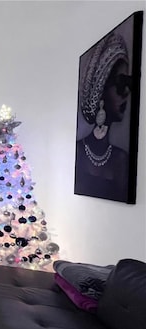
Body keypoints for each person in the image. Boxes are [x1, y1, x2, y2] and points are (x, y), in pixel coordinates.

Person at [75, 32, 132, 202]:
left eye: (128, 84)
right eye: (120, 84)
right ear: (100, 93)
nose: (127, 93)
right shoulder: (78, 150)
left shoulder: (121, 158)